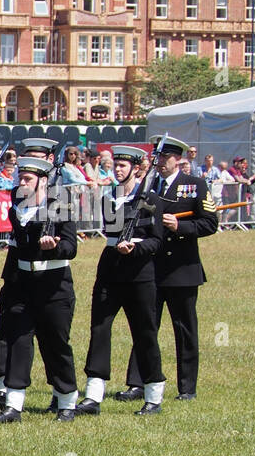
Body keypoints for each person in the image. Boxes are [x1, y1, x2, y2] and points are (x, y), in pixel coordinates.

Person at [120, 135, 219, 403]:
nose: (160, 162)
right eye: (158, 157)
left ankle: (187, 387)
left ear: (178, 159)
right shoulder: (148, 186)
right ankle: (138, 383)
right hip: (150, 267)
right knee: (145, 326)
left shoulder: (194, 185)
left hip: (181, 269)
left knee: (184, 329)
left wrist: (181, 227)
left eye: (166, 157)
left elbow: (210, 223)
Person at [75, 146, 166, 417]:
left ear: (137, 168)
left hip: (139, 270)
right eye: (116, 165)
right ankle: (93, 395)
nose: (118, 170)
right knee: (100, 328)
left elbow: (156, 240)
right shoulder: (109, 197)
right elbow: (108, 230)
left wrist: (135, 249)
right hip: (111, 267)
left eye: (124, 166)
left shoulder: (150, 199)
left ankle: (153, 394)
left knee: (144, 331)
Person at [0, 157, 79, 423]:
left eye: (28, 179)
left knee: (55, 343)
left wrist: (54, 246)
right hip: (24, 284)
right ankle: (14, 405)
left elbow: (71, 248)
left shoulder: (60, 206)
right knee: (19, 341)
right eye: (21, 178)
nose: (22, 183)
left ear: (43, 181)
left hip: (54, 284)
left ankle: (66, 400)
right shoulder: (17, 208)